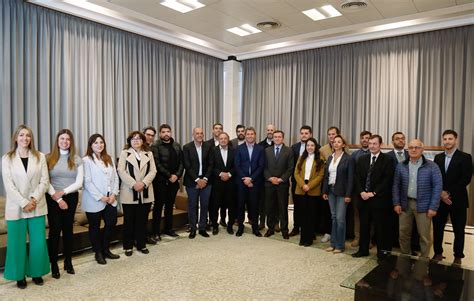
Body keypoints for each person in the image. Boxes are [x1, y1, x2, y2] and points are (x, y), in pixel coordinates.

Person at [2, 125, 50, 288]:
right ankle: (19, 276)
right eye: (21, 135)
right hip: (17, 208)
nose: (25, 138)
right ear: (16, 138)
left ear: (31, 139)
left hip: (37, 205)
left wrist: (33, 199)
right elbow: (8, 185)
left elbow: (45, 181)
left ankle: (37, 273)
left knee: (38, 243)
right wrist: (24, 203)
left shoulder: (40, 156)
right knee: (16, 244)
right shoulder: (6, 158)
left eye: (28, 136)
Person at [392, 139, 442, 258]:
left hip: (424, 206)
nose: (413, 150)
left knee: (424, 235)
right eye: (411, 147)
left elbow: (437, 187)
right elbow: (396, 185)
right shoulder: (401, 166)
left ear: (422, 149)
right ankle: (405, 256)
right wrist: (396, 203)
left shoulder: (432, 166)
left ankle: (424, 259)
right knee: (403, 233)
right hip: (405, 204)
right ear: (407, 149)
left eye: (417, 147)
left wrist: (433, 207)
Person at [46, 129, 83, 279]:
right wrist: (58, 198)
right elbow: (45, 180)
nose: (65, 141)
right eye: (62, 139)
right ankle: (53, 263)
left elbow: (79, 182)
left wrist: (64, 193)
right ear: (57, 140)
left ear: (71, 142)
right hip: (52, 197)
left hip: (71, 197)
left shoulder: (76, 159)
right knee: (55, 231)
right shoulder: (48, 158)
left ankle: (68, 261)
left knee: (68, 230)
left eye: (68, 139)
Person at [433, 130, 472, 265]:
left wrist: (447, 193)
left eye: (450, 139)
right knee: (438, 227)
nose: (447, 141)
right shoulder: (438, 158)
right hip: (440, 200)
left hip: (458, 200)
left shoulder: (465, 157)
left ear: (456, 140)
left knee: (459, 229)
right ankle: (438, 253)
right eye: (445, 139)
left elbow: (465, 179)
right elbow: (436, 178)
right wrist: (440, 193)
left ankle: (458, 256)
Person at [352, 135, 394, 260]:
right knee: (364, 226)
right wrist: (361, 192)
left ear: (380, 145)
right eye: (370, 143)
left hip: (379, 200)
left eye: (375, 143)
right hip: (363, 199)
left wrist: (373, 193)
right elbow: (357, 178)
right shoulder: (362, 159)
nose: (372, 146)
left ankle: (381, 253)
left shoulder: (387, 159)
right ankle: (363, 250)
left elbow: (387, 180)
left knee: (380, 228)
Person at [82, 134, 120, 265]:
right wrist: (101, 197)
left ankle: (106, 249)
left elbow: (115, 178)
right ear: (91, 145)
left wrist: (114, 193)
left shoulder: (108, 158)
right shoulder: (86, 160)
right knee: (95, 227)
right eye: (96, 143)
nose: (99, 145)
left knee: (111, 222)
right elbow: (87, 182)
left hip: (110, 198)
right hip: (94, 200)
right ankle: (98, 252)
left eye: (101, 142)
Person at [117, 131, 157, 256]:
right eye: (133, 139)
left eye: (139, 138)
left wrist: (143, 183)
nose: (136, 141)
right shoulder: (125, 153)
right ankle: (128, 246)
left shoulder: (149, 153)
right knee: (129, 221)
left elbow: (153, 171)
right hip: (129, 192)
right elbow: (121, 170)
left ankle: (141, 244)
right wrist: (134, 184)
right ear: (129, 141)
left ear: (143, 141)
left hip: (145, 192)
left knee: (142, 220)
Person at [149, 124, 183, 243]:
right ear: (160, 133)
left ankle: (168, 229)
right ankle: (156, 232)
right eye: (163, 132)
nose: (166, 134)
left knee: (170, 206)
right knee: (158, 207)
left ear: (171, 132)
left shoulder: (177, 145)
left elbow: (181, 163)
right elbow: (157, 164)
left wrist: (177, 175)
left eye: (168, 131)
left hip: (174, 182)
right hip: (160, 182)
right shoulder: (155, 146)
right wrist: (169, 176)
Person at [322, 135, 354, 253]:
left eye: (339, 142)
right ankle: (333, 243)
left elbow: (351, 179)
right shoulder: (330, 158)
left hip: (342, 192)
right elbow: (326, 176)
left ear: (343, 145)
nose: (336, 144)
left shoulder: (348, 159)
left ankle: (340, 245)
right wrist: (325, 191)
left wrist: (348, 195)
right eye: (334, 142)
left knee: (340, 219)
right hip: (331, 191)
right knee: (334, 217)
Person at [183, 127, 214, 238]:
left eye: (201, 133)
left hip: (206, 181)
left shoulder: (209, 147)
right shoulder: (187, 147)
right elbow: (187, 165)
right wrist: (197, 180)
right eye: (197, 133)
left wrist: (205, 179)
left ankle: (202, 228)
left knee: (205, 205)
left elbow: (211, 164)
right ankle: (192, 228)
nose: (199, 135)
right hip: (192, 181)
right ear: (193, 135)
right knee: (192, 205)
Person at [293, 138, 325, 247]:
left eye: (312, 145)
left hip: (313, 190)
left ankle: (309, 238)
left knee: (311, 215)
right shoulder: (301, 157)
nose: (309, 147)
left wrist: (309, 186)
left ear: (315, 147)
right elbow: (296, 173)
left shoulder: (320, 158)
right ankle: (303, 238)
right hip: (301, 189)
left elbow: (321, 175)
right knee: (302, 215)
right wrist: (303, 185)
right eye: (308, 145)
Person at [263, 130, 294, 239]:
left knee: (282, 208)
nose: (277, 138)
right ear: (273, 138)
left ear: (283, 138)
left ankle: (284, 230)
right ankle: (270, 229)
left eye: (279, 137)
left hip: (282, 184)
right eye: (275, 137)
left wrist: (281, 179)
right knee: (270, 207)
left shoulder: (289, 151)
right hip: (269, 184)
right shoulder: (267, 151)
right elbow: (264, 167)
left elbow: (290, 168)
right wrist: (270, 178)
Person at [234, 127, 265, 237]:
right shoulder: (239, 148)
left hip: (255, 182)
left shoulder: (260, 149)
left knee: (254, 206)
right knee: (240, 205)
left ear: (255, 135)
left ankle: (255, 228)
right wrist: (245, 179)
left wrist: (251, 179)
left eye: (252, 134)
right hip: (241, 182)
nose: (250, 136)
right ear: (245, 136)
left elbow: (261, 166)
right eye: (248, 134)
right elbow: (237, 165)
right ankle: (240, 227)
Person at [349, 130, 372, 248]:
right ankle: (357, 237)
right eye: (363, 138)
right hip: (357, 191)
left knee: (370, 216)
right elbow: (352, 174)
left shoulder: (375, 154)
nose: (365, 140)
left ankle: (368, 240)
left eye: (367, 138)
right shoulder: (355, 155)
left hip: (371, 191)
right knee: (357, 215)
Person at [290, 125, 313, 237]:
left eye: (306, 133)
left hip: (311, 184)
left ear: (310, 135)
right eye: (302, 133)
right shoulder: (294, 147)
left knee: (310, 208)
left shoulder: (316, 147)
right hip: (297, 182)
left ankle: (310, 230)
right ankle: (296, 227)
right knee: (297, 206)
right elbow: (292, 166)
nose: (304, 135)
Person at [211, 132, 236, 234]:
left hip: (231, 182)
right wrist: (221, 174)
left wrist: (229, 174)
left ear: (228, 139)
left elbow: (237, 165)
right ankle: (215, 225)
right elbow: (211, 165)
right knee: (215, 205)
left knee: (231, 205)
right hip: (217, 182)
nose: (223, 140)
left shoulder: (234, 150)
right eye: (221, 138)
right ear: (218, 139)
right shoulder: (213, 151)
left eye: (225, 138)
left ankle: (230, 225)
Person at [258, 124, 276, 230]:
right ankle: (262, 221)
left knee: (275, 203)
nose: (270, 132)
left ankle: (275, 222)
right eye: (268, 130)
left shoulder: (279, 143)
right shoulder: (260, 145)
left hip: (276, 178)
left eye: (272, 130)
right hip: (263, 178)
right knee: (262, 201)